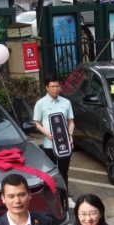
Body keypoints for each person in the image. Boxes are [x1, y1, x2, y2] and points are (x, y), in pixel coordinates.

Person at [33, 75, 75, 207]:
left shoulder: (66, 103)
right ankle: (52, 197)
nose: (55, 89)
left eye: (57, 86)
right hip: (49, 144)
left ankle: (66, 197)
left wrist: (70, 135)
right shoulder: (40, 103)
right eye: (52, 86)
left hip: (64, 144)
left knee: (63, 172)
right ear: (47, 87)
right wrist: (47, 134)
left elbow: (71, 122)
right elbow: (37, 123)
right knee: (51, 173)